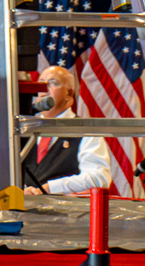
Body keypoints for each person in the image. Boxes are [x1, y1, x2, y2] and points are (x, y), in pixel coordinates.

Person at [21, 65, 114, 196]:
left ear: (69, 94)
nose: (44, 89)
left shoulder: (85, 131)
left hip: (67, 213)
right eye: (40, 83)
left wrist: (50, 188)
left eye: (52, 83)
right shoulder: (24, 128)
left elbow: (99, 178)